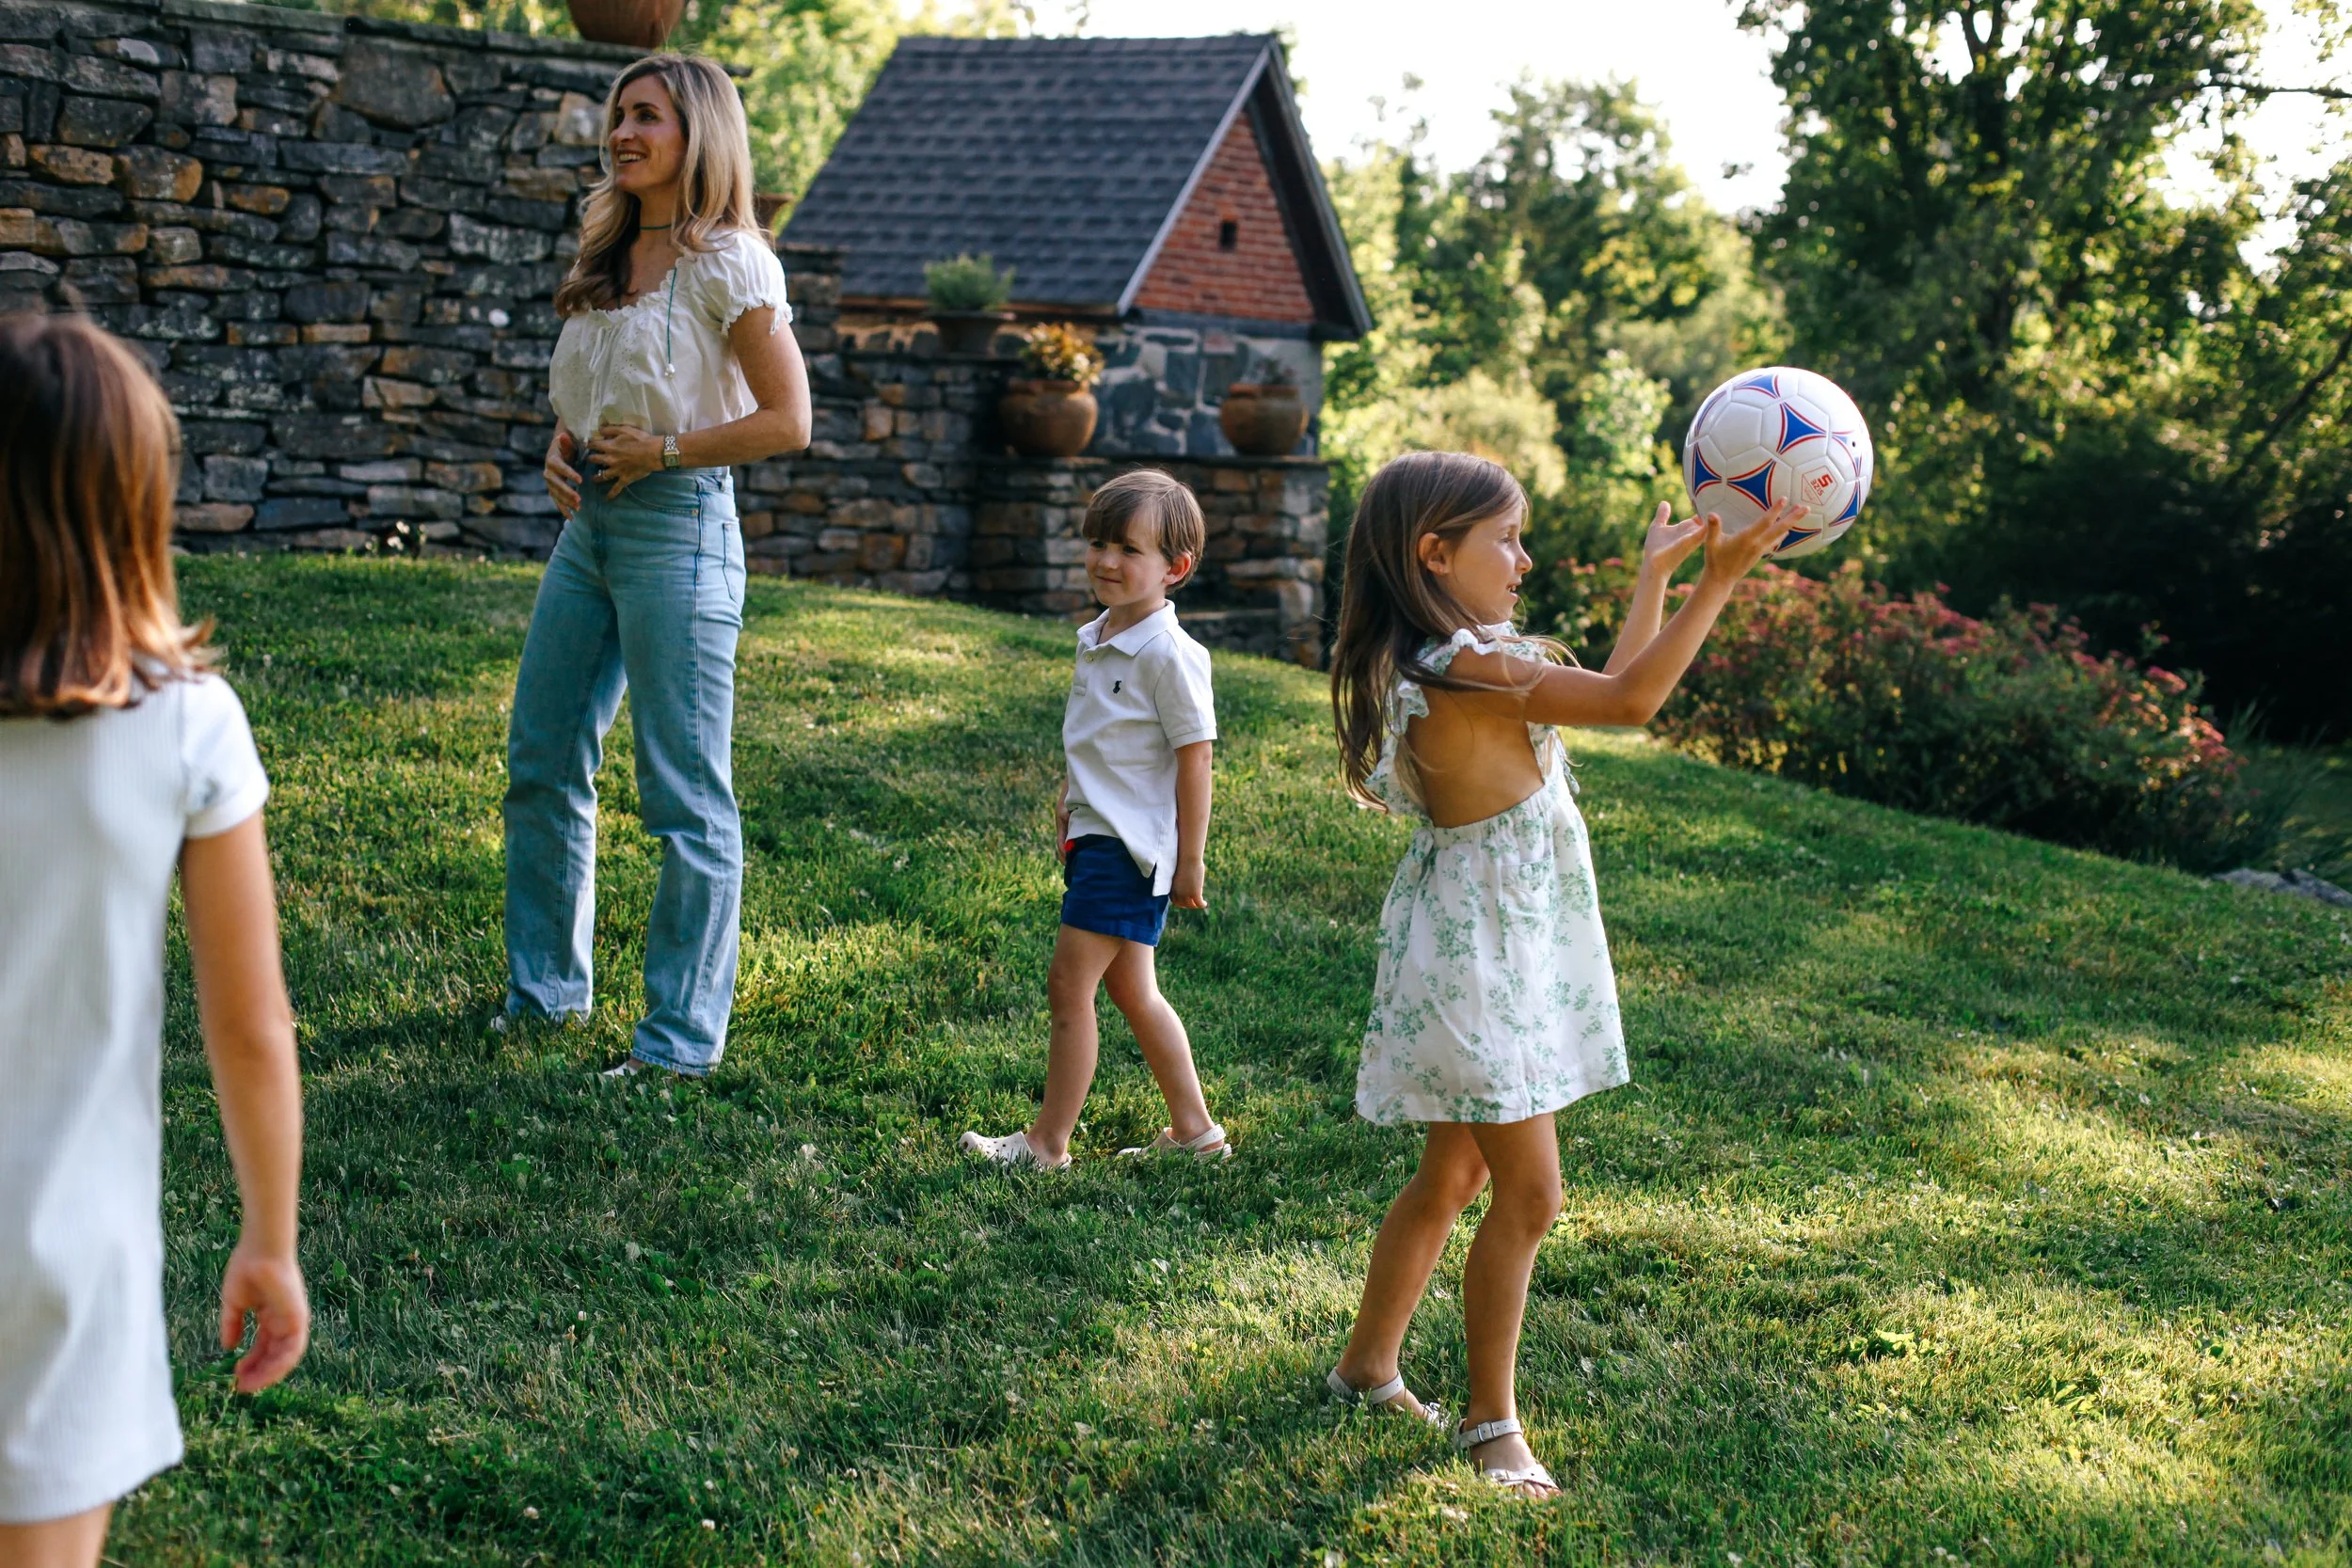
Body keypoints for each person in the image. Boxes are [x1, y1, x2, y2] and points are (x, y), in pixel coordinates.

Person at [1322, 451, 1799, 1497]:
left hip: (1495, 941)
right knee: (1530, 1193)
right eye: (1508, 538)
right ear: (1433, 553)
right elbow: (1631, 704)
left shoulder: (1472, 655)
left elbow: (1608, 696)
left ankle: (1366, 1365)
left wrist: (1656, 583)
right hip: (1479, 955)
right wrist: (1721, 579)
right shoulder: (1463, 668)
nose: (1525, 558)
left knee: (1454, 1174)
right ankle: (1491, 1420)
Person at [0, 313, 309, 1566]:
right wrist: (269, 1242)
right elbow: (249, 1025)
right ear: (138, 501)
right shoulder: (189, 727)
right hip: (67, 1255)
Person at [510, 53, 813, 1077]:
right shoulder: (607, 249)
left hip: (679, 525)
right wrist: (566, 441)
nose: (623, 132)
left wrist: (670, 450)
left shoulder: (730, 260)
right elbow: (599, 386)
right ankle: (544, 992)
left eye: (648, 117)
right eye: (619, 115)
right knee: (543, 759)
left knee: (686, 796)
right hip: (590, 523)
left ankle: (679, 1044)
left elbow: (788, 420)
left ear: (699, 134)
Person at [960, 470, 1230, 1169]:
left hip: (1131, 850)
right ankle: (1197, 1132)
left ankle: (1048, 1143)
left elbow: (1195, 760)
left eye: (1128, 550)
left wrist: (1190, 858)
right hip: (1097, 832)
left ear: (1175, 568)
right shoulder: (1101, 635)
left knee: (1067, 987)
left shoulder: (1170, 655)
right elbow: (1103, 738)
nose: (1107, 561)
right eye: (1099, 543)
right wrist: (1069, 798)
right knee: (1133, 989)